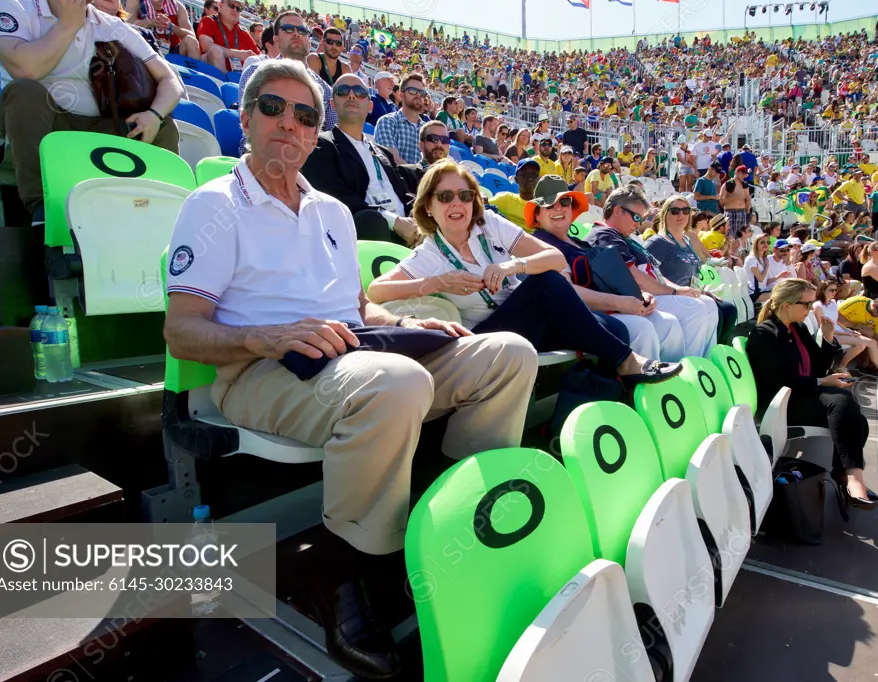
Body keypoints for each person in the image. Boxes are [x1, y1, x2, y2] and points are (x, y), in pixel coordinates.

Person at [162, 60, 540, 680]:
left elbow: (355, 306)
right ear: (245, 119)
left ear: (318, 132)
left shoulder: (333, 212)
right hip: (255, 372)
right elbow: (181, 331)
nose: (289, 123)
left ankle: (448, 522)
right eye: (273, 108)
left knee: (507, 355)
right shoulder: (213, 206)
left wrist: (413, 326)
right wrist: (266, 335)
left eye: (305, 114)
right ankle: (344, 574)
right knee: (399, 384)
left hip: (351, 352)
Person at [366, 159, 682, 387]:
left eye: (464, 195)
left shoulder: (488, 223)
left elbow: (554, 256)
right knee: (546, 283)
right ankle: (627, 363)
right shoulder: (429, 254)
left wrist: (511, 265)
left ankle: (595, 402)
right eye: (445, 196)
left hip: (531, 319)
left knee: (618, 331)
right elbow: (376, 291)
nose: (456, 203)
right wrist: (435, 282)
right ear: (428, 206)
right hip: (487, 336)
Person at [0, 0, 183, 227]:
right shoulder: (14, 4)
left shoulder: (109, 23)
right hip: (46, 124)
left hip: (97, 127)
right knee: (23, 91)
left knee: (164, 126)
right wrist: (69, 25)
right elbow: (25, 69)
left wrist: (154, 114)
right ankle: (43, 206)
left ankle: (160, 217)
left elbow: (171, 81)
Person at [527, 175, 687, 364]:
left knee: (667, 324)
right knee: (641, 329)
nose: (558, 208)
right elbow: (565, 292)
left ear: (572, 208)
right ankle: (642, 388)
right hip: (571, 319)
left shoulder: (580, 243)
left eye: (564, 201)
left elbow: (610, 281)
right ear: (537, 214)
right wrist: (621, 303)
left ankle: (676, 382)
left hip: (604, 309)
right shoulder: (539, 244)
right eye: (548, 204)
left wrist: (640, 295)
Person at [746, 279, 877, 509]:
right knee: (846, 405)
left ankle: (848, 476)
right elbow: (776, 381)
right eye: (806, 305)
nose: (809, 310)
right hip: (782, 403)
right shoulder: (763, 335)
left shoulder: (798, 328)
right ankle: (850, 477)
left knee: (856, 418)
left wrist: (827, 338)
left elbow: (818, 366)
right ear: (787, 305)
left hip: (804, 392)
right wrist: (822, 381)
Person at [585, 185, 720, 360]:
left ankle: (703, 363)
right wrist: (674, 292)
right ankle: (687, 369)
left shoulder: (624, 238)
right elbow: (635, 277)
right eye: (635, 217)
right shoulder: (605, 235)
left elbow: (656, 275)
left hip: (652, 294)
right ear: (617, 210)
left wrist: (679, 289)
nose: (638, 224)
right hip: (635, 299)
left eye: (640, 219)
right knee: (694, 309)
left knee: (708, 304)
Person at [301, 73, 417, 245]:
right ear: (332, 104)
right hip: (368, 233)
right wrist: (394, 221)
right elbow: (335, 198)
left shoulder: (383, 153)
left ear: (370, 106)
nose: (351, 95)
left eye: (359, 92)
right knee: (370, 220)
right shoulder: (320, 145)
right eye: (342, 91)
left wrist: (418, 216)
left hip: (407, 229)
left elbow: (404, 193)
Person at [644, 194, 739, 344]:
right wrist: (677, 290)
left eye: (685, 211)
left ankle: (711, 354)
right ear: (665, 214)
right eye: (675, 211)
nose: (681, 215)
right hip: (669, 295)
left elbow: (696, 270)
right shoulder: (656, 242)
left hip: (690, 293)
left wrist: (701, 291)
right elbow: (646, 275)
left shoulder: (687, 241)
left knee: (728, 310)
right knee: (711, 309)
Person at [812, 281, 878, 381]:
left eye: (836, 290)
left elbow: (837, 322)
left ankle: (841, 367)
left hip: (839, 333)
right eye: (831, 290)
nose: (834, 292)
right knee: (871, 342)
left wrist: (848, 330)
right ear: (822, 291)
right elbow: (823, 329)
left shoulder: (833, 303)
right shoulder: (818, 306)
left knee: (862, 345)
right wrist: (847, 332)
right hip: (828, 336)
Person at [195, 0, 259, 74]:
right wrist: (237, 54)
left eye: (238, 9)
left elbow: (258, 57)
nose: (235, 10)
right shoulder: (209, 20)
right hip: (208, 73)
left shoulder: (243, 33)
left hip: (235, 77)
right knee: (216, 51)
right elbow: (206, 46)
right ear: (220, 5)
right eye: (231, 5)